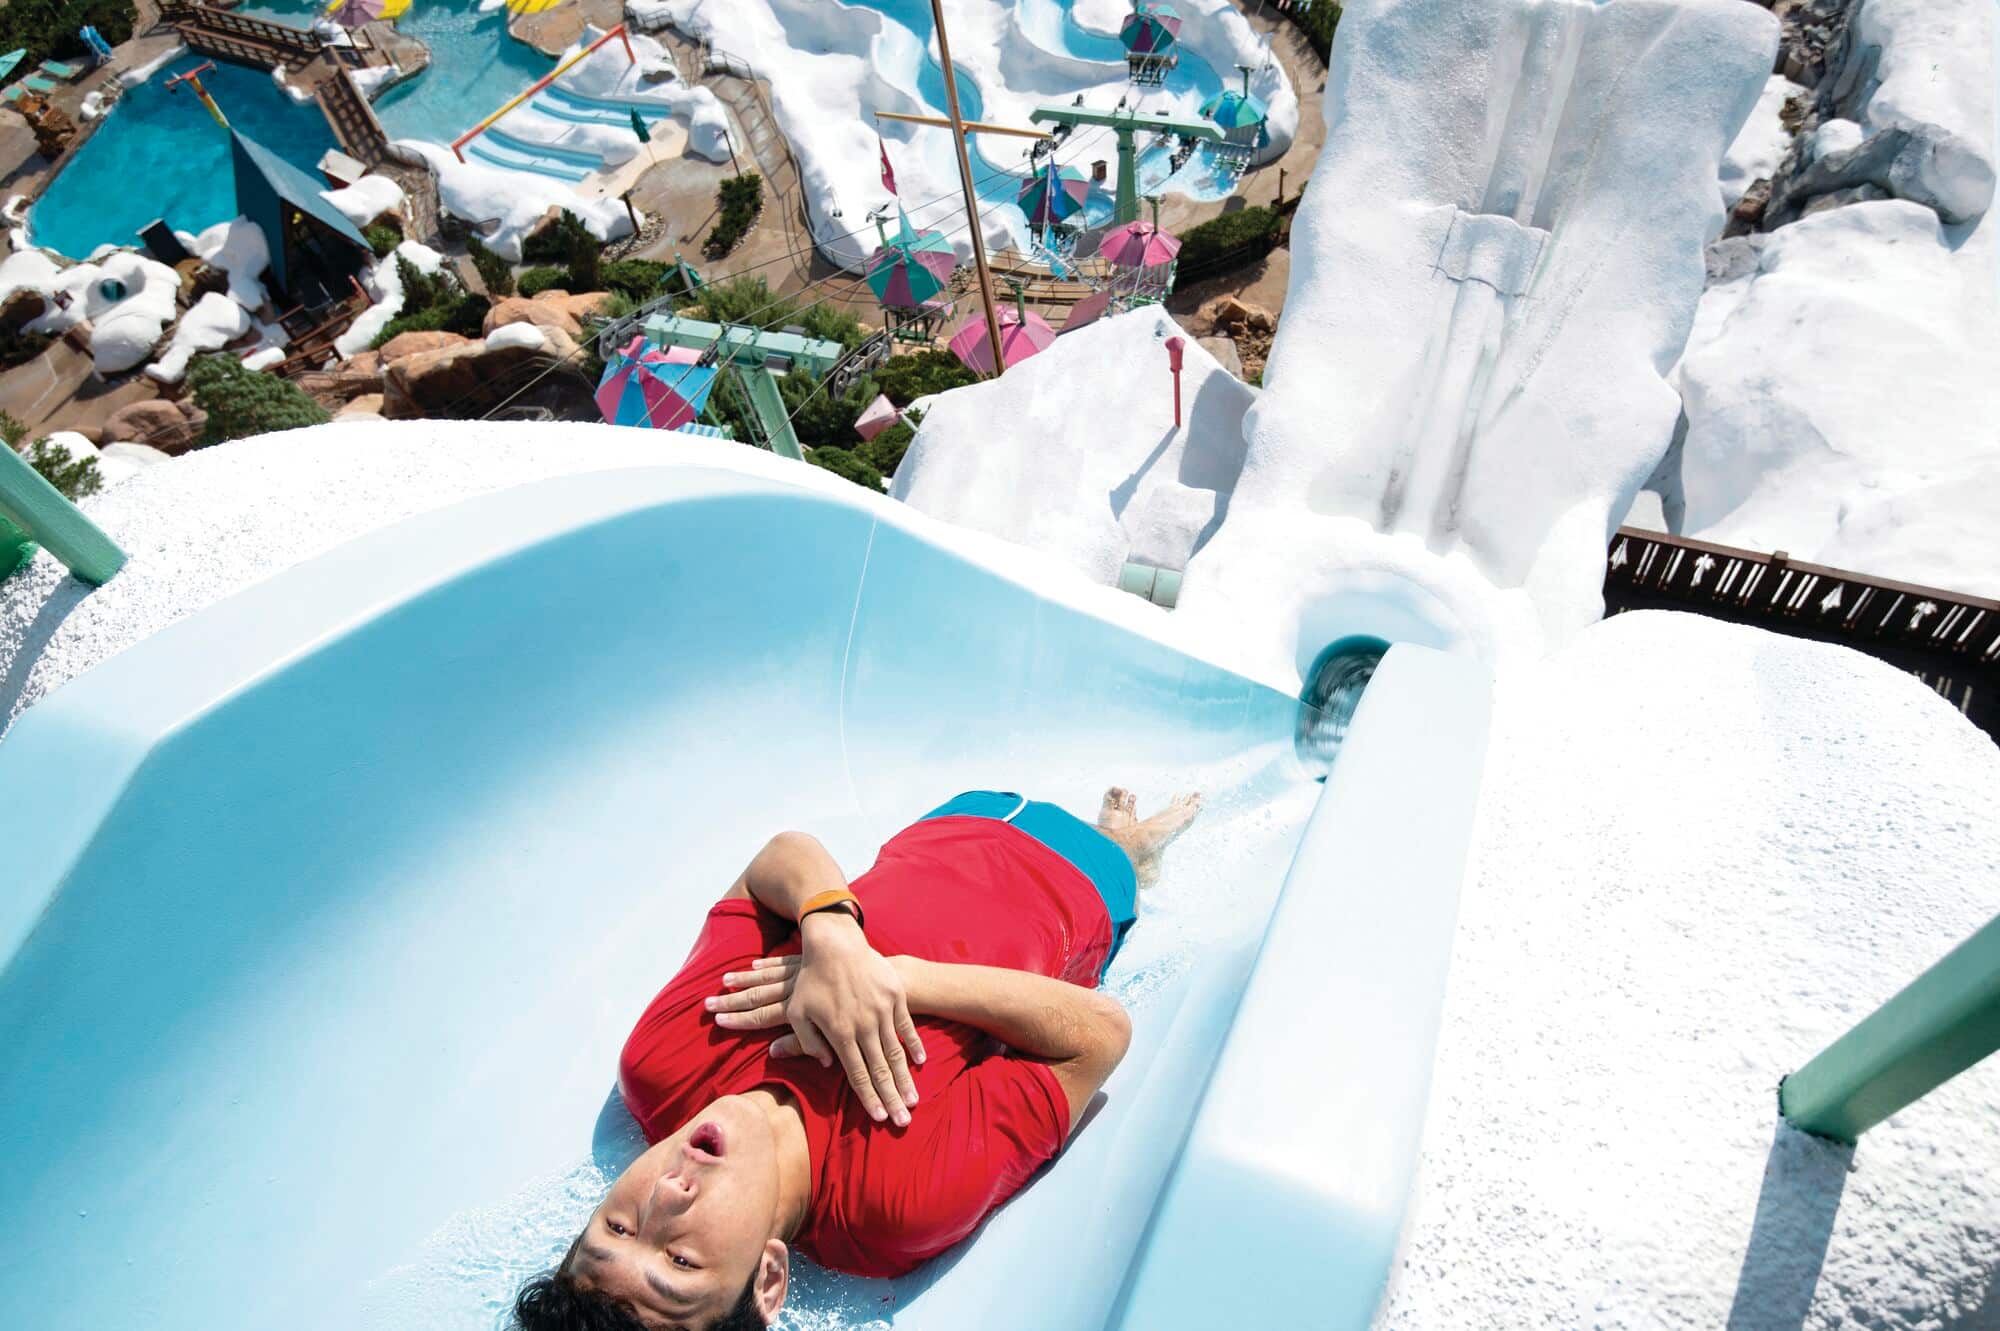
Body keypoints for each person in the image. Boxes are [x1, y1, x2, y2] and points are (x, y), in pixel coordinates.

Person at [512, 787, 1204, 1331]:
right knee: (1124, 850)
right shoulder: (895, 1200)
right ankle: (1137, 843)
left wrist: (832, 934)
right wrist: (895, 977)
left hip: (950, 823)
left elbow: (776, 860)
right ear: (769, 1280)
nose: (664, 1195)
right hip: (1076, 886)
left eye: (618, 1226)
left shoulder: (665, 1062)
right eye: (679, 1258)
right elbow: (1101, 1033)